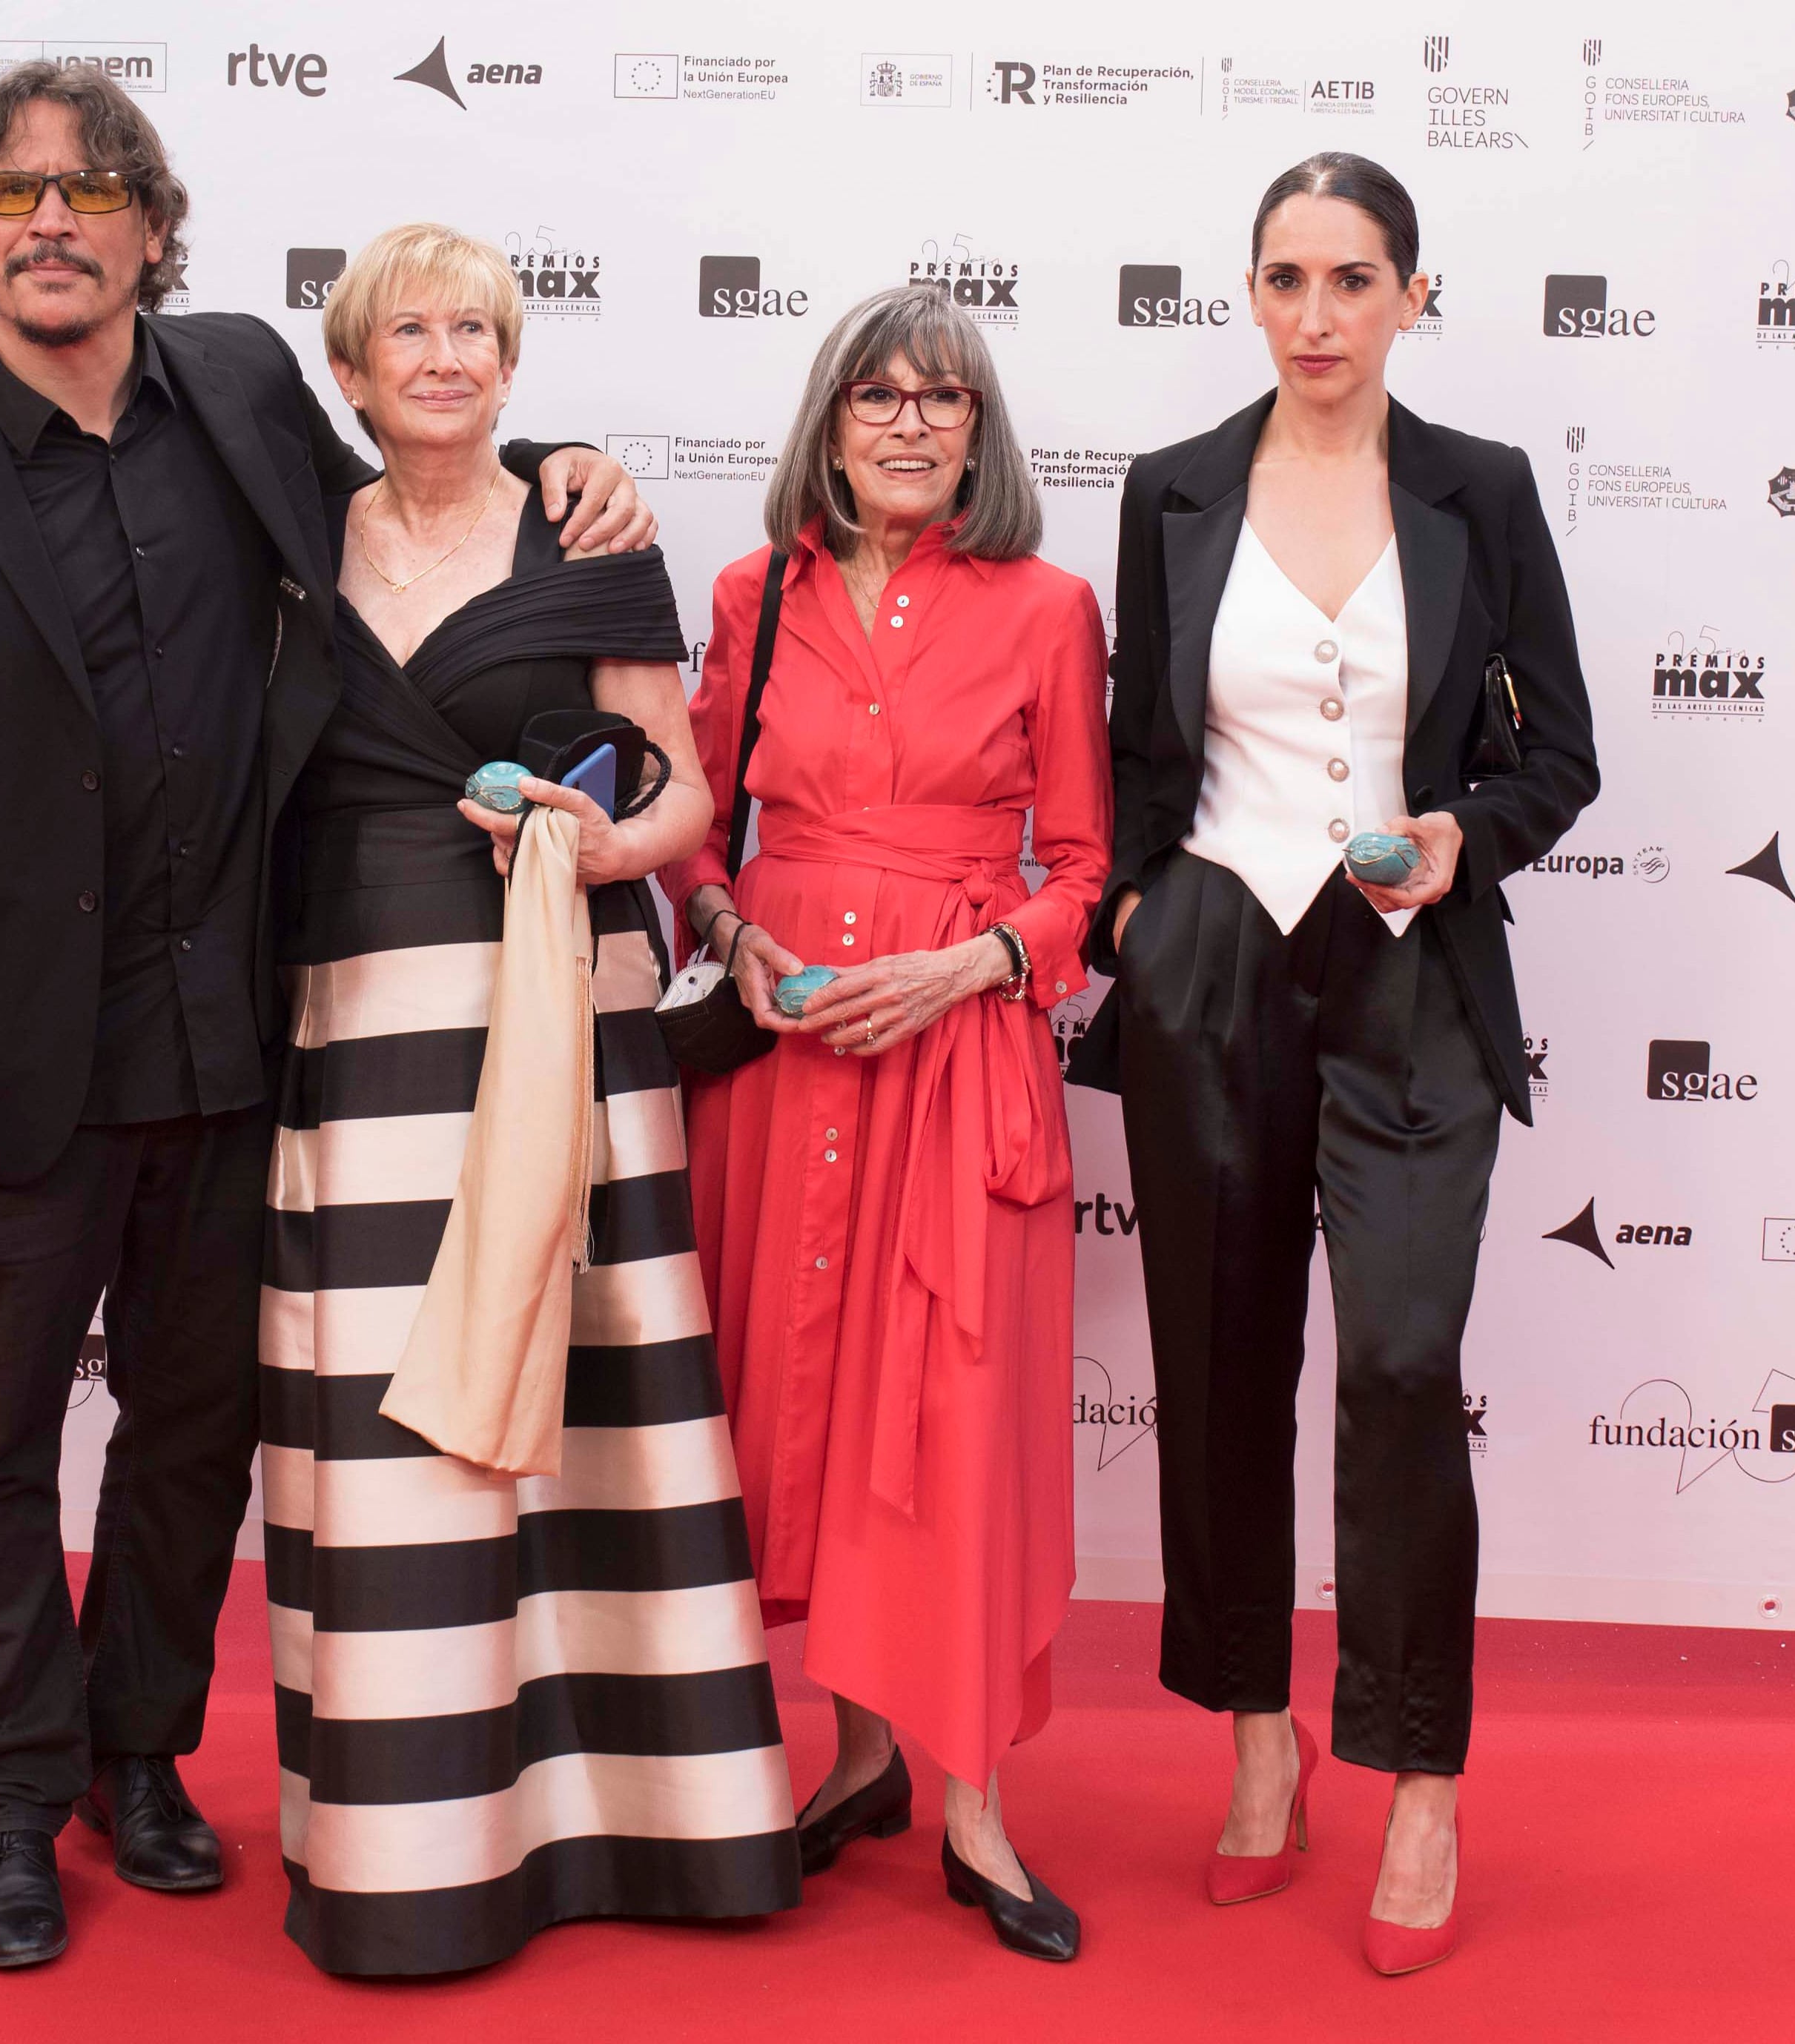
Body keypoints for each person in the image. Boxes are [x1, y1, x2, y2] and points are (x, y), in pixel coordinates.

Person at [0, 66, 652, 1971]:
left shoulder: (241, 380)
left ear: (154, 228)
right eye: (14, 195)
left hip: (231, 1032)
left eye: (89, 191)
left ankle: (135, 1751)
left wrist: (564, 467)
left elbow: (422, 493)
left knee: (192, 1433)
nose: (51, 221)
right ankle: (5, 1795)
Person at [257, 222, 799, 1976]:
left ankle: (646, 1823)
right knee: (391, 1439)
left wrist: (587, 848)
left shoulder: (591, 536)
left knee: (582, 1426)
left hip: (565, 1012)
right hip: (359, 1033)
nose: (441, 355)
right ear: (347, 372)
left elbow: (682, 803)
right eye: (405, 329)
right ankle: (411, 1845)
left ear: (511, 358)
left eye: (475, 328)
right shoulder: (279, 545)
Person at [1077, 152, 1599, 1976]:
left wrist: (1466, 829)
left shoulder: (1483, 490)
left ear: (1410, 298)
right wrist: (1137, 914)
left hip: (1411, 981)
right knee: (1218, 1373)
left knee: (1395, 1361)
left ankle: (1419, 1771)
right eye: (1286, 278)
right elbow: (1140, 755)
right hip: (1212, 960)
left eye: (1352, 280)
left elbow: (1564, 755)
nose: (1316, 315)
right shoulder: (1169, 493)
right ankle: (1252, 1740)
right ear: (1249, 292)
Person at [672, 286, 1108, 1962]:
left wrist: (968, 967)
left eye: (945, 400)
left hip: (954, 1064)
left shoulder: (1049, 608)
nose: (912, 423)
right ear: (829, 421)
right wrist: (735, 938)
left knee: (950, 1422)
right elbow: (694, 828)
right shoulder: (748, 595)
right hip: (784, 1063)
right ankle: (854, 1756)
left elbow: (1082, 867)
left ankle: (975, 1803)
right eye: (879, 396)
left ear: (981, 434)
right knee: (801, 1405)